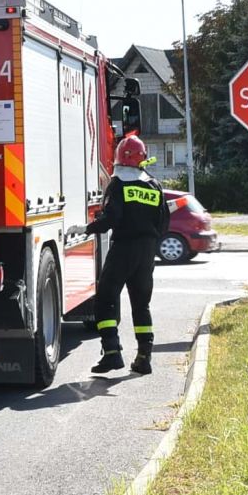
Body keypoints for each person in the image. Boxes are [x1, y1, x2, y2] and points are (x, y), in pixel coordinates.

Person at [80, 133, 168, 375]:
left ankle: (111, 353)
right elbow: (163, 224)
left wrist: (88, 228)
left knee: (106, 299)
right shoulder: (154, 185)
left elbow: (111, 218)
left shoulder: (118, 184)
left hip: (123, 249)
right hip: (147, 252)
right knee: (142, 305)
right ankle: (144, 357)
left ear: (119, 158)